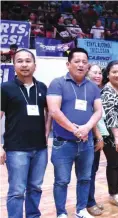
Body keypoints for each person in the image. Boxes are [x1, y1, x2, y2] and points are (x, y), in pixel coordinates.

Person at [47, 48, 103, 218]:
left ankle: (81, 210)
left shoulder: (92, 87)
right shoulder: (57, 83)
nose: (81, 65)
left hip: (87, 143)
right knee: (62, 181)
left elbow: (98, 111)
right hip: (63, 142)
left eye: (84, 62)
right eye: (77, 61)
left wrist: (86, 128)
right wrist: (76, 130)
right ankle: (61, 213)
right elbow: (54, 111)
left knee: (85, 178)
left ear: (88, 65)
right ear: (68, 64)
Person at [1, 49, 50, 218]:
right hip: (16, 149)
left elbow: (49, 112)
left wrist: (47, 131)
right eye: (19, 61)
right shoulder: (5, 88)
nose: (24, 64)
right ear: (14, 65)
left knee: (35, 187)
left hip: (40, 149)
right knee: (17, 191)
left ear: (35, 65)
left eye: (28, 61)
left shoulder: (42, 87)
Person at [101, 60, 118, 207]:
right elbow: (110, 115)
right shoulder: (107, 91)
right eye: (114, 72)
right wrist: (117, 137)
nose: (117, 74)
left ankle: (117, 189)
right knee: (113, 164)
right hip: (112, 136)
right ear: (108, 74)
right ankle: (113, 193)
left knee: (117, 163)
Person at [86, 64, 107, 216]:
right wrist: (98, 136)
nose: (98, 75)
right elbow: (91, 117)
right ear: (87, 74)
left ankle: (90, 200)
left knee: (92, 171)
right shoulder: (86, 91)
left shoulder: (97, 91)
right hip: (91, 138)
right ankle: (88, 203)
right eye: (94, 72)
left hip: (97, 138)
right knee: (88, 173)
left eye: (100, 73)